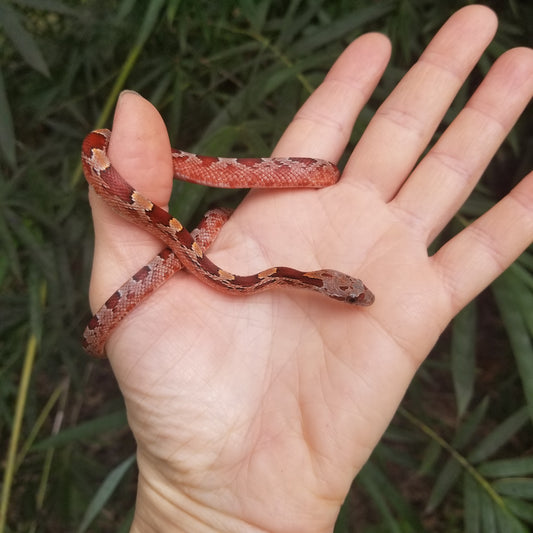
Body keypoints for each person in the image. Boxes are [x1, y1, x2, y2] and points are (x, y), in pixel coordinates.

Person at [85, 5, 533, 532]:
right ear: (324, 284)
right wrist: (194, 510)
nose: (356, 297)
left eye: (348, 292)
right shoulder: (251, 278)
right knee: (200, 225)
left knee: (241, 210)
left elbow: (322, 176)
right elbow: (107, 153)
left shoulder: (270, 277)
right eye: (349, 293)